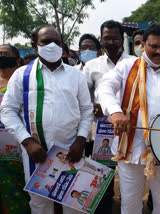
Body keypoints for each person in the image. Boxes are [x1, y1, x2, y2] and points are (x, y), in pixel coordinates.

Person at [96, 23, 160, 214]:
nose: (159, 51)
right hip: (131, 148)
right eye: (153, 46)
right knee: (130, 205)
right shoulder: (127, 66)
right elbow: (105, 88)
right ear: (143, 45)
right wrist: (115, 112)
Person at [0, 25, 93, 214]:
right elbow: (7, 110)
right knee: (40, 204)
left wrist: (81, 139)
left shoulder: (75, 75)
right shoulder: (22, 75)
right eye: (46, 42)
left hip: (71, 149)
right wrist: (27, 142)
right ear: (35, 46)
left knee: (73, 204)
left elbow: (86, 109)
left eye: (57, 42)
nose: (52, 45)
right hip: (36, 151)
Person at [82, 20, 135, 213]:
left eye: (114, 38)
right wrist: (93, 106)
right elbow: (83, 98)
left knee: (130, 176)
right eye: (106, 38)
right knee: (102, 176)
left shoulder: (134, 63)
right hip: (102, 132)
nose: (111, 42)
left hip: (130, 130)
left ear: (121, 39)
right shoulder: (91, 67)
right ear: (101, 39)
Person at [0, 44, 31, 214]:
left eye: (6, 54)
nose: (2, 57)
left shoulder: (24, 80)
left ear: (17, 59)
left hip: (21, 145)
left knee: (20, 188)